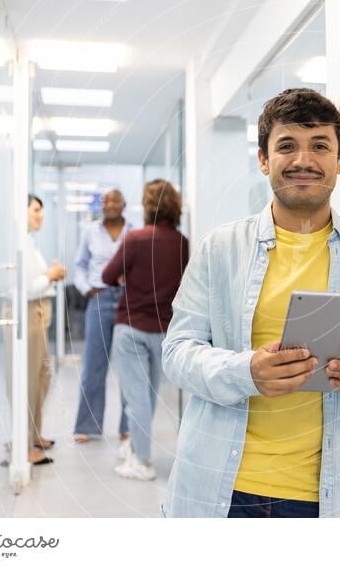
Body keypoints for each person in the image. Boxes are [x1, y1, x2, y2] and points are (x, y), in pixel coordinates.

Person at [160, 88, 340, 518]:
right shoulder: (220, 249)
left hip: (322, 497)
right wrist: (246, 371)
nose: (303, 160)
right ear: (263, 159)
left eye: (320, 146)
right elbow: (177, 352)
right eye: (286, 146)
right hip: (222, 488)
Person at [102, 180, 188, 481]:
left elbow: (107, 275)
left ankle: (142, 461)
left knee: (135, 396)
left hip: (132, 329)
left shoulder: (135, 239)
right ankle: (136, 448)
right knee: (146, 396)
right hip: (164, 331)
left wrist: (127, 276)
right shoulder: (181, 242)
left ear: (148, 205)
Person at [73, 189, 132, 450]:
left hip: (128, 302)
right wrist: (87, 289)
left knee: (131, 367)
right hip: (99, 299)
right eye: (106, 200)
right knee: (93, 365)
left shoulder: (134, 232)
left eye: (115, 200)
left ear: (124, 205)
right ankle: (87, 426)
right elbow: (80, 266)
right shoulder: (89, 232)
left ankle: (128, 428)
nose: (110, 204)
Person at [25, 194, 66, 465]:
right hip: (29, 319)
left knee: (41, 378)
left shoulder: (29, 243)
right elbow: (26, 287)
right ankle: (26, 444)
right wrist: (51, 275)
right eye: (36, 210)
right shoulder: (17, 243)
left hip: (38, 318)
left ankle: (34, 435)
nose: (40, 216)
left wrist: (49, 275)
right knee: (29, 382)